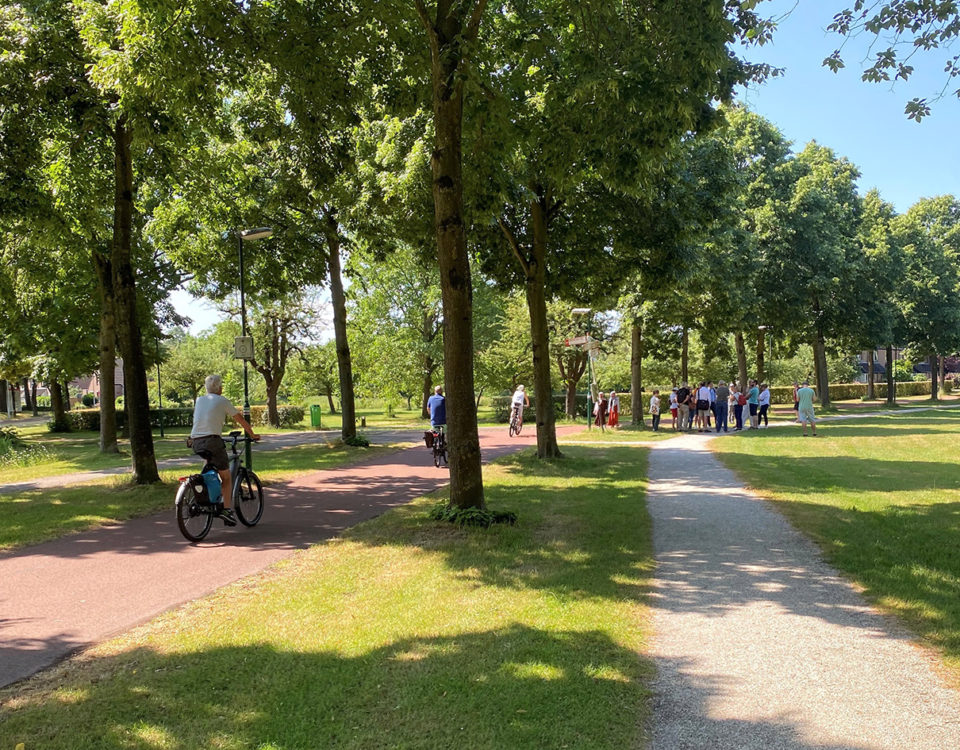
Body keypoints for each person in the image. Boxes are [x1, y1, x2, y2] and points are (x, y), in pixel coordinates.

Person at [190, 374, 260, 526]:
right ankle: (226, 510)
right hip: (213, 441)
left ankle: (206, 495)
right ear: (219, 388)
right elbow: (241, 419)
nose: (222, 388)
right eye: (221, 386)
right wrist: (253, 435)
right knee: (227, 477)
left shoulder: (200, 400)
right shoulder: (222, 400)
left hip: (196, 441)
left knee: (209, 467)